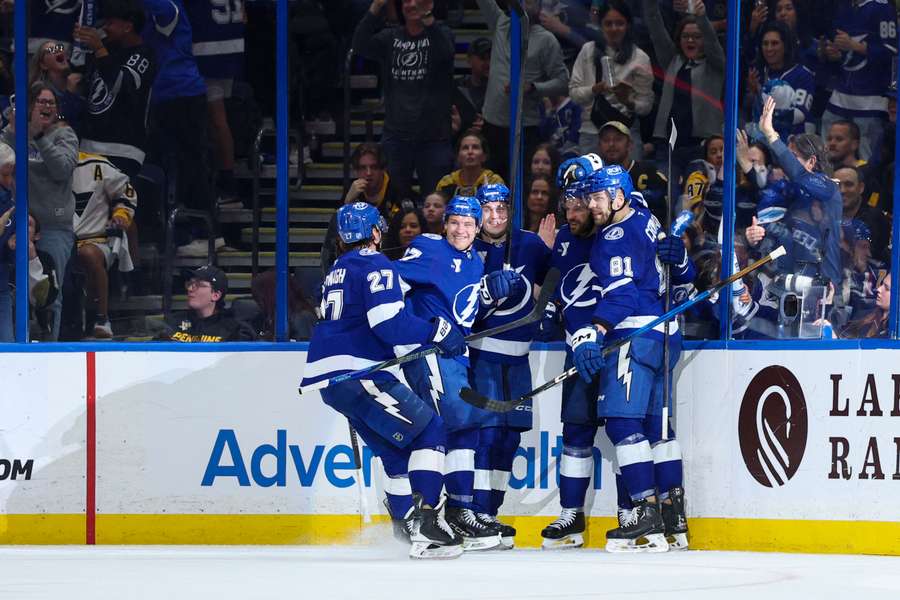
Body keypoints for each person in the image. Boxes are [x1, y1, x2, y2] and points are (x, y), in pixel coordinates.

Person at [299, 202, 466, 559]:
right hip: (358, 372)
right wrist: (436, 329)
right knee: (430, 431)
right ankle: (427, 525)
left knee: (396, 451)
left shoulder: (337, 270)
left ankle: (403, 527)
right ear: (375, 232)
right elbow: (388, 323)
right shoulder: (376, 264)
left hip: (330, 381)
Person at [569, 164, 690, 553]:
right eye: (589, 198)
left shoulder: (612, 237)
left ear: (618, 197)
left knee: (622, 423)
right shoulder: (647, 218)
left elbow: (620, 296)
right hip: (667, 335)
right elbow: (681, 280)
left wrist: (596, 330)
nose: (592, 205)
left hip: (634, 338)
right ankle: (675, 519)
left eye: (598, 197)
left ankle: (644, 517)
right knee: (659, 431)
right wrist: (683, 261)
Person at [395, 195, 523, 551]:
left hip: (457, 356)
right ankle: (428, 518)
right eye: (455, 222)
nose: (461, 229)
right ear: (444, 222)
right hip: (430, 353)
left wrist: (489, 293)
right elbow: (389, 281)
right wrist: (420, 327)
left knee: (466, 429)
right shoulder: (429, 248)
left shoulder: (473, 262)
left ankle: (459, 511)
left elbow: (464, 307)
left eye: (468, 224)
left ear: (478, 227)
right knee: (442, 429)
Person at [468, 183, 552, 549]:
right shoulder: (468, 246)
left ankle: (492, 513)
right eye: (488, 210)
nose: (496, 216)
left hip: (520, 358)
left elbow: (553, 279)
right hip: (484, 356)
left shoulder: (530, 244)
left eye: (502, 209)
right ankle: (476, 513)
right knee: (486, 435)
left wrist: (549, 257)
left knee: (510, 435)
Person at [353, 0, 456, 201]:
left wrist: (427, 18)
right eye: (407, 1)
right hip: (396, 137)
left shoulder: (441, 33)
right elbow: (359, 45)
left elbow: (447, 53)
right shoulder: (390, 37)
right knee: (394, 202)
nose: (411, 4)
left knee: (436, 202)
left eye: (418, 0)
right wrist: (375, 8)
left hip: (433, 138)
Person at [1, 83, 79, 341]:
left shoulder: (65, 135)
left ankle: (50, 347)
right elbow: (4, 158)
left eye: (51, 102)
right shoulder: (13, 135)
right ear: (29, 107)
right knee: (12, 290)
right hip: (17, 225)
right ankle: (15, 343)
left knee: (49, 295)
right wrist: (15, 130)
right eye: (41, 102)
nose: (47, 106)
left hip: (54, 228)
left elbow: (61, 170)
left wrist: (39, 137)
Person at [751, 96, 843, 286]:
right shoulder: (792, 192)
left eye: (794, 157)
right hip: (790, 281)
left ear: (812, 162)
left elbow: (799, 174)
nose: (787, 163)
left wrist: (771, 135)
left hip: (824, 286)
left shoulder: (829, 188)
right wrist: (755, 234)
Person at [475, 0, 569, 181]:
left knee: (523, 188)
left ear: (540, 6)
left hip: (525, 128)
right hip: (492, 126)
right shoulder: (500, 22)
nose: (526, 4)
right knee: (491, 189)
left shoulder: (546, 40)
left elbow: (563, 82)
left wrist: (533, 87)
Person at [74, 0, 158, 178]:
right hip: (87, 148)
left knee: (118, 206)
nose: (105, 28)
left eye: (110, 23)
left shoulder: (144, 54)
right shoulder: (104, 50)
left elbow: (122, 86)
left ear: (128, 27)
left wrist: (99, 48)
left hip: (123, 151)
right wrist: (81, 45)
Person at [642, 0, 725, 170]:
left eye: (697, 36)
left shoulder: (716, 65)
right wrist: (650, 4)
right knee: (666, 193)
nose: (690, 40)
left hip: (701, 147)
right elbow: (656, 29)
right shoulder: (672, 61)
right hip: (668, 146)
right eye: (685, 36)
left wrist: (702, 18)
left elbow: (713, 42)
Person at [568, 0, 653, 157]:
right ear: (601, 25)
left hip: (625, 134)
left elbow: (646, 106)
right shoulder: (588, 50)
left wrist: (628, 100)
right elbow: (574, 93)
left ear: (628, 25)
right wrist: (595, 89)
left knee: (628, 181)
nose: (614, 29)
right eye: (608, 24)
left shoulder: (640, 58)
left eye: (619, 23)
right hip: (591, 133)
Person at [184, 0, 246, 210]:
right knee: (218, 120)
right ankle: (225, 179)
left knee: (217, 120)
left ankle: (227, 184)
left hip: (207, 53)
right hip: (229, 48)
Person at [818, 0, 897, 162]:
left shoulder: (883, 9)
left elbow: (892, 53)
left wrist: (856, 46)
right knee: (827, 156)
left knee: (867, 159)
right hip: (840, 97)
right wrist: (834, 53)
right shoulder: (843, 7)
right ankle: (825, 186)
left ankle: (865, 187)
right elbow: (844, 52)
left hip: (871, 101)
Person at [72, 151, 139, 339]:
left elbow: (126, 191)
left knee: (88, 254)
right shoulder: (37, 163)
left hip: (95, 238)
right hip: (55, 238)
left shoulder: (96, 164)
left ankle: (101, 318)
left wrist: (121, 214)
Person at [321, 142, 409, 274]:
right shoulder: (352, 193)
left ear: (383, 169)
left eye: (373, 167)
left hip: (393, 263)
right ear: (356, 170)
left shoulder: (399, 193)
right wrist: (347, 204)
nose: (368, 173)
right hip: (358, 265)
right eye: (363, 168)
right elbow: (334, 241)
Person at [745, 21, 815, 140]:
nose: (769, 48)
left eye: (775, 43)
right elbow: (748, 108)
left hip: (793, 143)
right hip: (762, 142)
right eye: (765, 43)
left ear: (786, 46)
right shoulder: (758, 72)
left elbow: (800, 115)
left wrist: (763, 99)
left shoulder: (803, 75)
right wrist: (753, 92)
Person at [597, 120, 668, 223]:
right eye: (606, 140)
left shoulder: (649, 172)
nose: (611, 144)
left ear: (629, 145)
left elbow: (661, 211)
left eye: (618, 139)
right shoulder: (594, 178)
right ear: (599, 146)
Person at [164, 265, 255, 342]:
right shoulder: (174, 321)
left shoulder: (234, 329)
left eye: (199, 285)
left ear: (215, 295)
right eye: (190, 283)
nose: (190, 289)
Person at [834, 165, 889, 264]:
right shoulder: (825, 217)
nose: (842, 190)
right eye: (837, 185)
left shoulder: (877, 219)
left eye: (849, 184)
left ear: (861, 188)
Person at [28, 40, 85, 128]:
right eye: (50, 50)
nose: (58, 50)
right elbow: (57, 120)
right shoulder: (39, 91)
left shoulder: (80, 83)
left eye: (59, 48)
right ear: (43, 65)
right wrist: (69, 94)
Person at [436, 130, 505, 198]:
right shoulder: (446, 183)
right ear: (458, 156)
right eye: (465, 148)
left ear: (484, 156)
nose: (470, 152)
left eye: (475, 147)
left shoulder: (494, 182)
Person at [452, 37, 491, 143]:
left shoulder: (502, 90)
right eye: (483, 58)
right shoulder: (454, 88)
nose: (488, 63)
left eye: (491, 58)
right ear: (469, 59)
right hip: (460, 147)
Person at [839, 273, 890, 338]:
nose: (879, 289)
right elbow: (843, 337)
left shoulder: (894, 330)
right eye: (882, 284)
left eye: (887, 288)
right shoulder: (862, 315)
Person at [0, 142, 13, 341]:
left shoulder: (10, 198)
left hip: (2, 280)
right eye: (5, 174)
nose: (9, 180)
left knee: (8, 342)